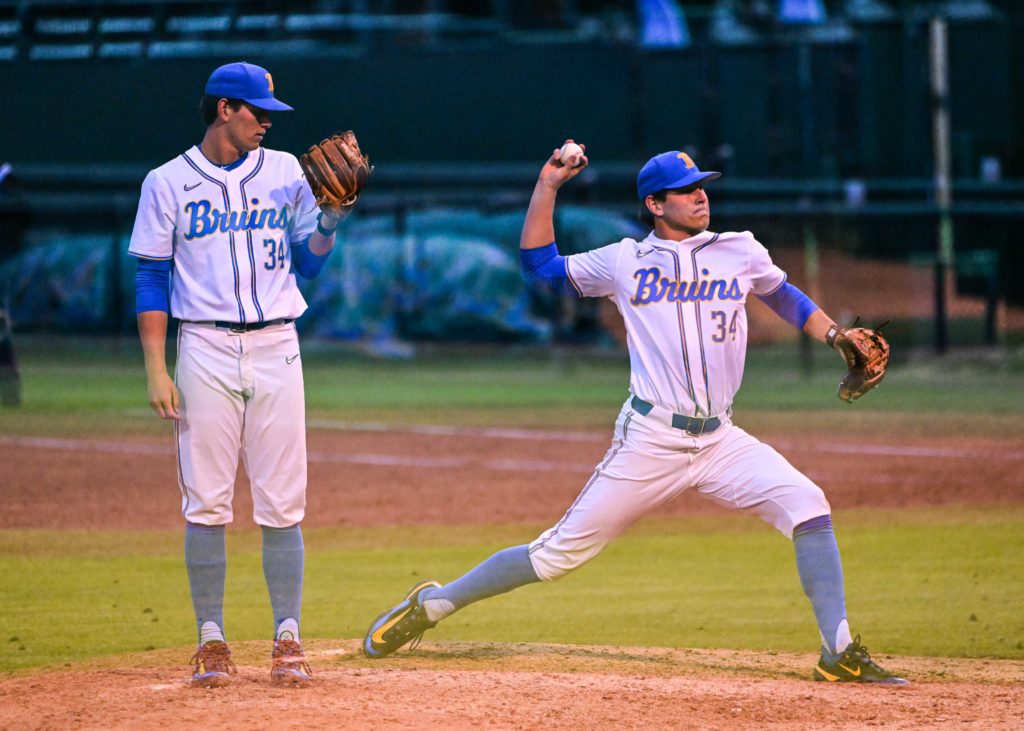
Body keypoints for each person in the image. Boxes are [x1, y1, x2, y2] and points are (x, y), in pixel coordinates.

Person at [362, 143, 907, 685]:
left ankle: (837, 652)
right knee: (555, 557)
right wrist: (548, 185)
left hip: (722, 440)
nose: (701, 197)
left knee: (808, 504)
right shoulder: (625, 260)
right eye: (687, 191)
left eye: (703, 187)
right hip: (650, 438)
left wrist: (835, 333)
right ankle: (432, 605)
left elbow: (780, 292)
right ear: (655, 204)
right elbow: (539, 268)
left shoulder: (739, 248)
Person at [129, 62, 353, 688]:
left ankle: (288, 638)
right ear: (224, 109)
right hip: (202, 347)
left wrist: (330, 225)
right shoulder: (167, 182)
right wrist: (155, 367)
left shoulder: (286, 172)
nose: (266, 124)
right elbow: (150, 277)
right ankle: (212, 640)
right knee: (206, 501)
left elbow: (309, 267)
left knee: (283, 502)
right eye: (257, 113)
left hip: (279, 343)